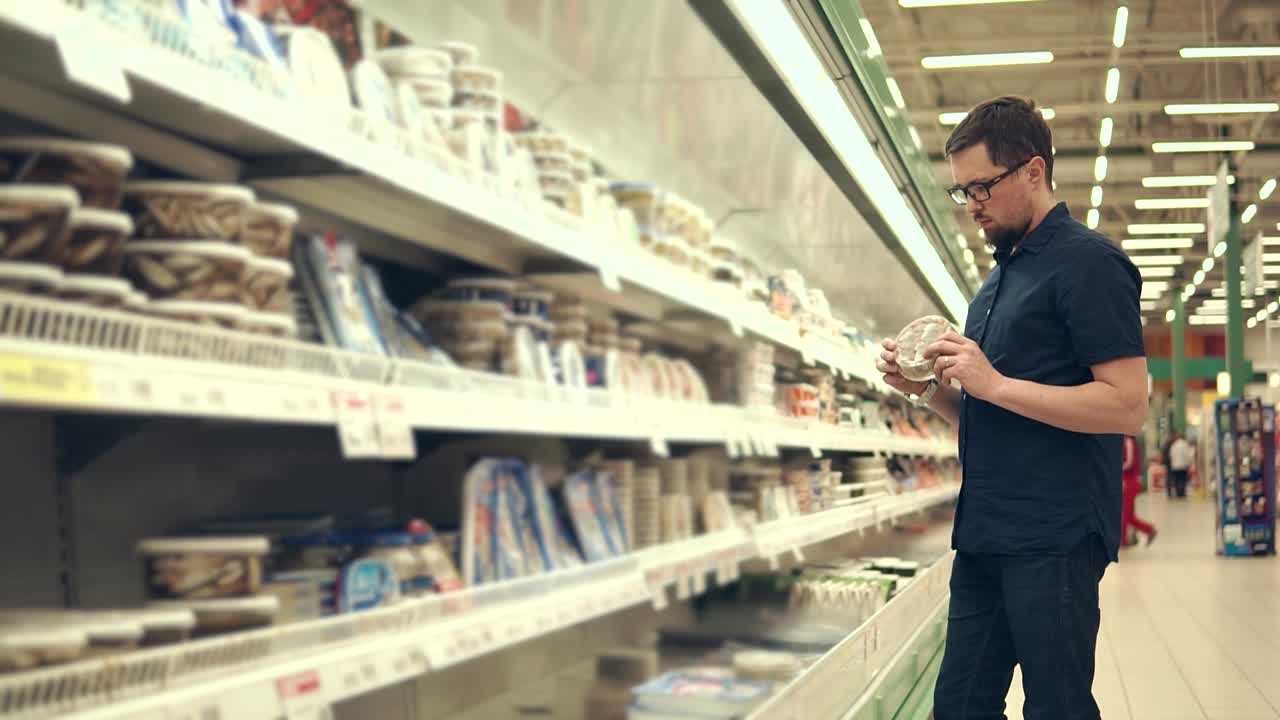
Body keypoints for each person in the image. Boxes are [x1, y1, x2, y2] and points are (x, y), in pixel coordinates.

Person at [876, 96, 1147, 720]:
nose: (972, 205)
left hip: (1054, 535)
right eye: (962, 192)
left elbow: (1128, 405)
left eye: (982, 187)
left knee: (1055, 706)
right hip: (986, 533)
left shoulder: (1090, 264)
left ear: (1033, 170)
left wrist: (992, 382)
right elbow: (990, 416)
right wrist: (923, 390)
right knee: (961, 706)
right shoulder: (996, 284)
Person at [1122, 435, 1156, 546]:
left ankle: (1124, 541)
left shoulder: (1128, 441)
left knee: (1124, 513)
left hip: (1130, 481)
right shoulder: (1127, 440)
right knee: (1128, 514)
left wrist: (1115, 468)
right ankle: (1149, 530)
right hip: (1128, 481)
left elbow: (1129, 462)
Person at [1169, 432, 1192, 498]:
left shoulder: (1174, 445)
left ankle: (1178, 493)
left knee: (1176, 480)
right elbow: (1188, 455)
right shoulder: (1185, 445)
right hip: (1183, 465)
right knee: (1183, 479)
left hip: (1175, 466)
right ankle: (1182, 492)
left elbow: (1171, 455)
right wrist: (1188, 463)